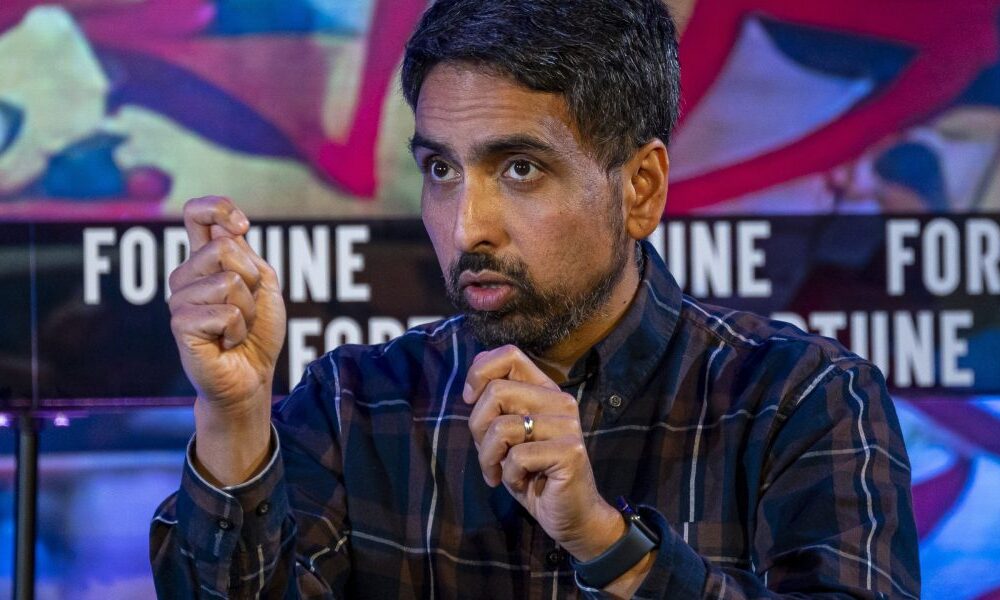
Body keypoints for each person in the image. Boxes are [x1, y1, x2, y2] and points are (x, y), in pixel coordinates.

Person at [150, 0, 920, 597]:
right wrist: (234, 418)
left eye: (519, 168)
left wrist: (608, 544)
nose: (466, 226)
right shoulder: (354, 403)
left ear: (640, 188)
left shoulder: (800, 398)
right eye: (441, 170)